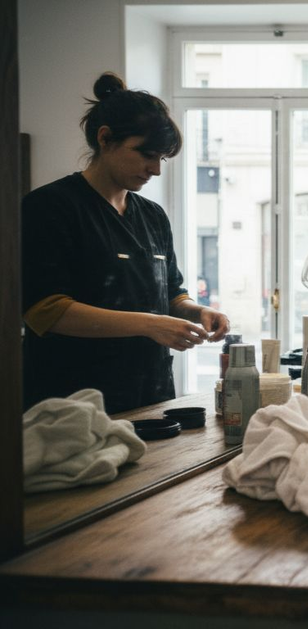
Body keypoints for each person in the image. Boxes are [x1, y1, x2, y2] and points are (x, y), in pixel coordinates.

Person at [22, 72, 230, 414]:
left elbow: (171, 293)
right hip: (72, 407)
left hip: (152, 397)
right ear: (105, 139)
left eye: (161, 158)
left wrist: (199, 311)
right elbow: (46, 311)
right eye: (146, 154)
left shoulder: (152, 215)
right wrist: (151, 324)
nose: (155, 170)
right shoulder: (50, 207)